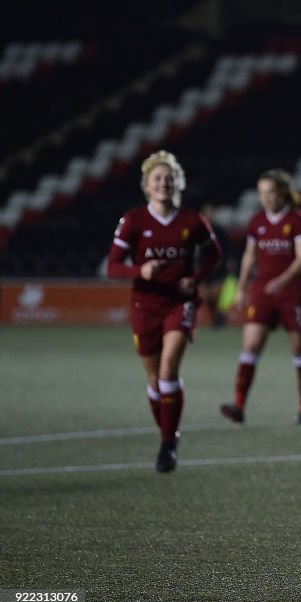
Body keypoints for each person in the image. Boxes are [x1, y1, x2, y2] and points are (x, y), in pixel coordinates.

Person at [106, 150, 222, 472]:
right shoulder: (133, 221)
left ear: (177, 183)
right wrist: (139, 272)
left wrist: (195, 279)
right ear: (146, 185)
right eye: (157, 179)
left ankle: (168, 445)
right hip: (145, 306)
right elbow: (113, 266)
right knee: (155, 379)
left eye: (169, 178)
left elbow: (214, 255)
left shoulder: (193, 221)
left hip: (179, 304)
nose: (163, 183)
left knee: (170, 368)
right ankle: (168, 431)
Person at [220, 169, 301, 425]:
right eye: (262, 193)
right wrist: (241, 288)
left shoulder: (297, 220)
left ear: (283, 193)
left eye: (270, 192)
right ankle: (238, 405)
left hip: (293, 292)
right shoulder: (257, 221)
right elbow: (250, 256)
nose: (265, 198)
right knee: (250, 345)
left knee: (298, 349)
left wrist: (281, 281)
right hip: (264, 291)